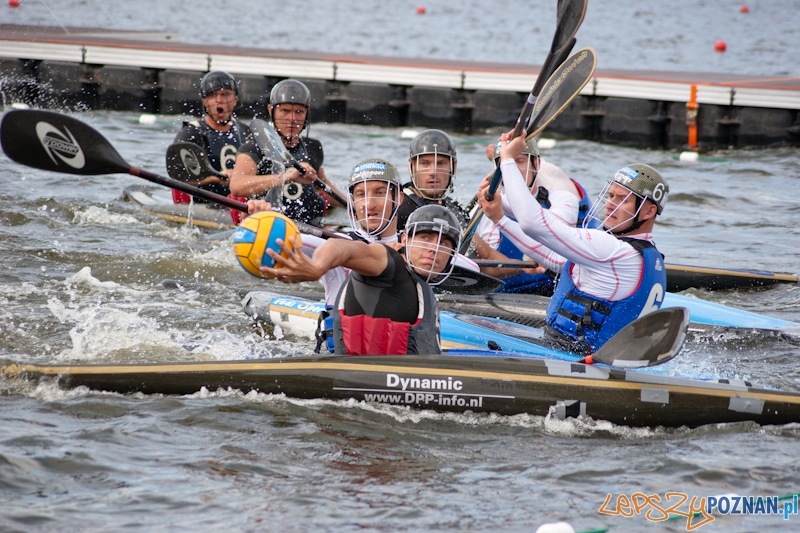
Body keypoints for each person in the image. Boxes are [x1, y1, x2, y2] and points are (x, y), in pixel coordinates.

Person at [477, 132, 669, 354]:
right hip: (576, 350)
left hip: (574, 357)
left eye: (622, 199)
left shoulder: (612, 250)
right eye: (611, 196)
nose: (609, 205)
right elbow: (555, 260)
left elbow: (533, 222)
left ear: (648, 211)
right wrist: (500, 217)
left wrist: (508, 159)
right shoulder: (641, 253)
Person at [261, 203, 462, 355]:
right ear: (404, 241)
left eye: (444, 243)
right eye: (425, 237)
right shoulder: (386, 263)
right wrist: (318, 266)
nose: (433, 249)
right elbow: (342, 248)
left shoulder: (422, 289)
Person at [470, 138, 594, 294]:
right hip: (503, 296)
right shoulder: (483, 209)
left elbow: (545, 226)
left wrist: (498, 215)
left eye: (520, 161)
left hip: (549, 294)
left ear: (537, 164)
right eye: (508, 163)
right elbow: (484, 265)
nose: (513, 170)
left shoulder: (564, 199)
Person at [229, 79, 344, 226]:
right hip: (269, 225)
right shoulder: (253, 147)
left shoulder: (312, 147)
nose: (292, 119)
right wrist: (287, 177)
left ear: (307, 114)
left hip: (309, 226)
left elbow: (324, 186)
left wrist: (355, 206)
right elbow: (237, 186)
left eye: (299, 112)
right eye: (285, 111)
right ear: (271, 111)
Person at [171, 70, 250, 203]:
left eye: (225, 94)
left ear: (235, 100)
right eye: (212, 96)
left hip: (236, 204)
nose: (219, 101)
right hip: (201, 205)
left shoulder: (246, 132)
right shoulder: (192, 132)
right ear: (205, 101)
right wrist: (216, 178)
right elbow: (178, 175)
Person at [395, 129, 469, 231]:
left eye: (441, 163)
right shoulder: (396, 209)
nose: (433, 172)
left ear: (453, 167)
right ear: (411, 166)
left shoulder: (458, 212)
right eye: (424, 163)